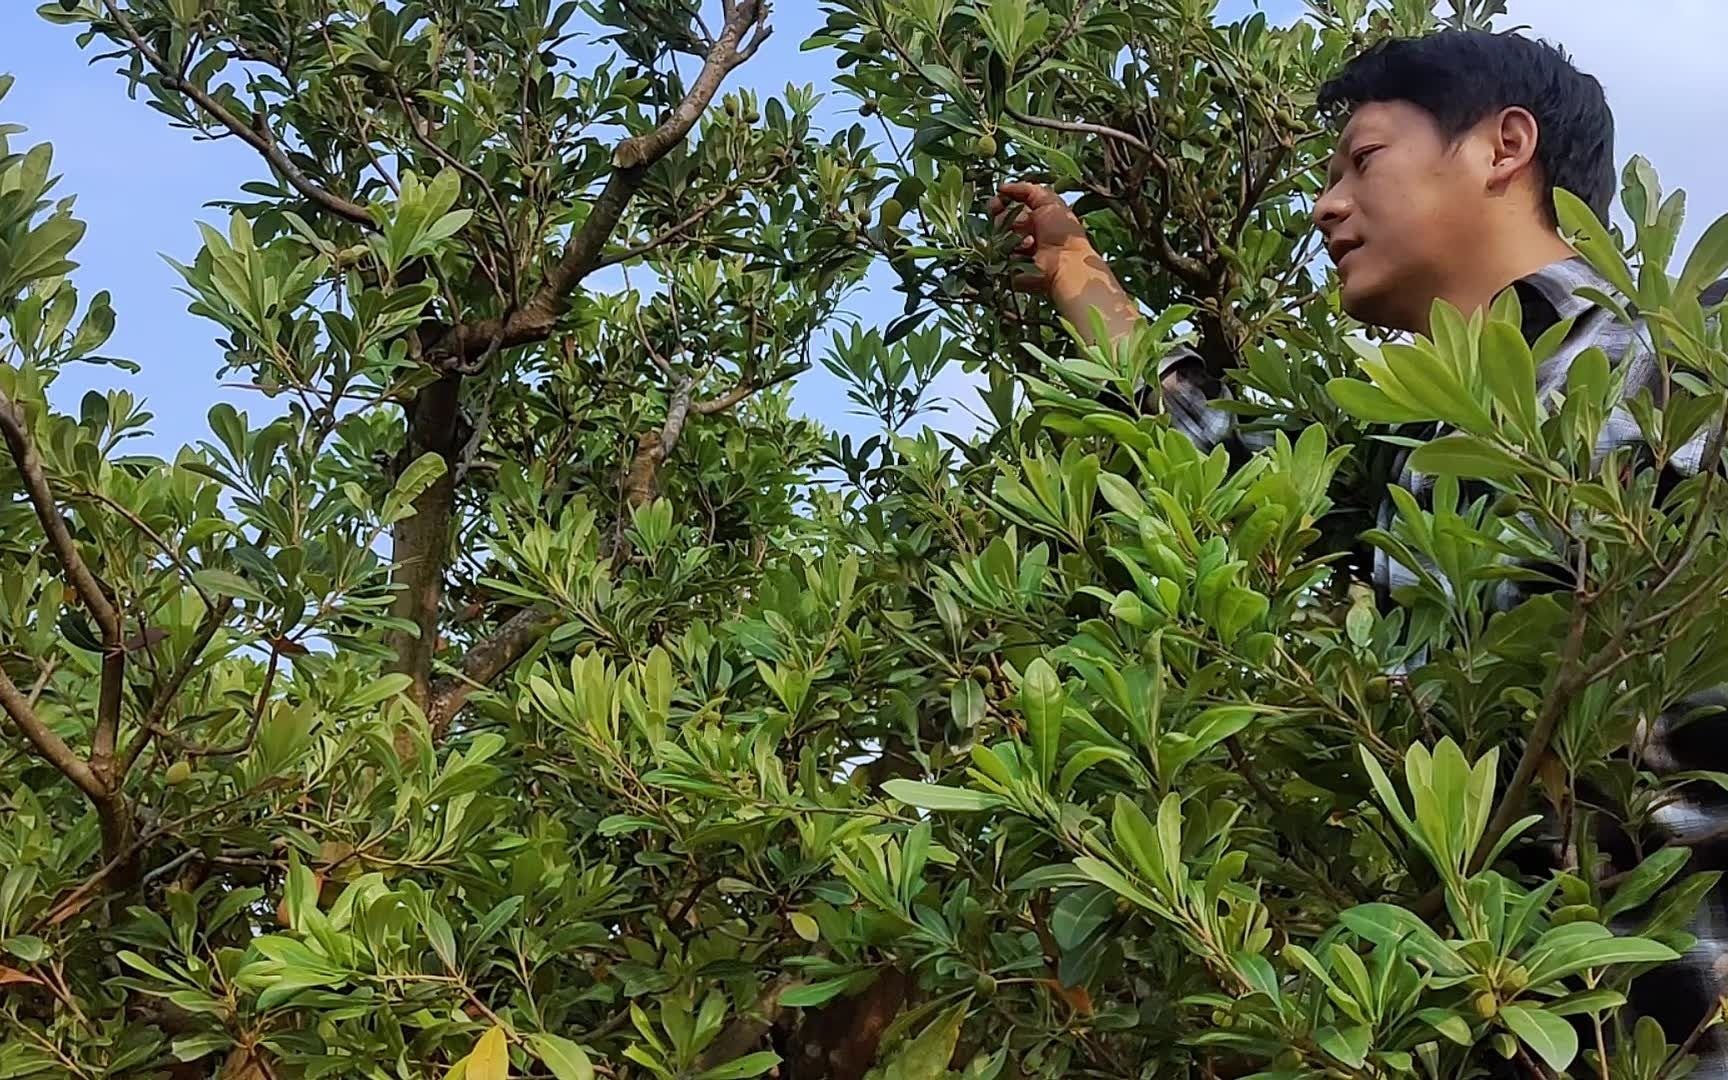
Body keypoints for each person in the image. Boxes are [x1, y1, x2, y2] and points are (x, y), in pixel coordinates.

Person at [992, 29, 1728, 1071]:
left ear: (1502, 147)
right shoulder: (1424, 450)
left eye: (1363, 160)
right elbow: (1249, 493)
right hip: (1506, 1025)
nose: (1326, 203)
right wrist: (1080, 274)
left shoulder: (1684, 359)